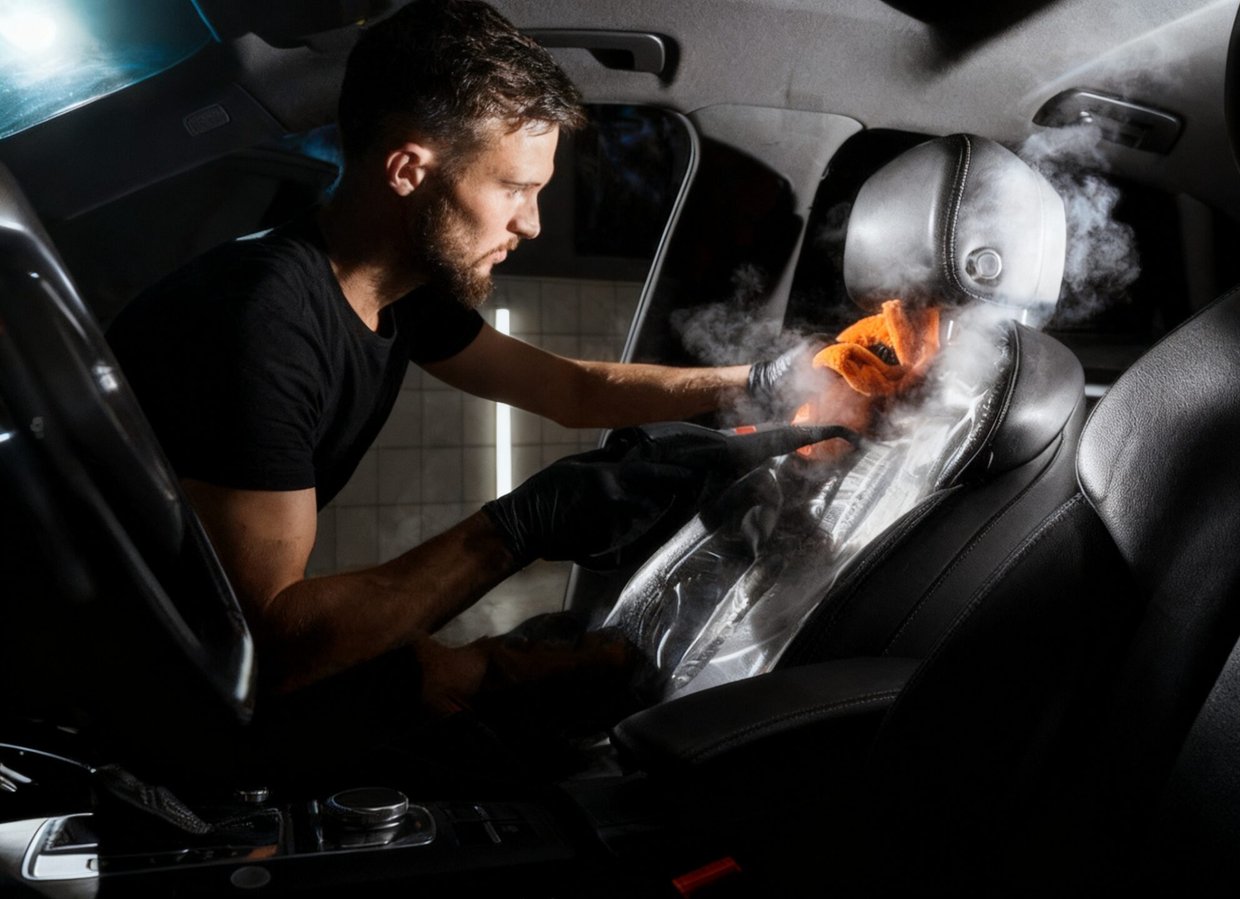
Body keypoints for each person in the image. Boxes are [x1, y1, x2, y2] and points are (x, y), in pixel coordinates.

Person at [107, 0, 803, 715]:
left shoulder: (401, 286)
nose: (530, 223)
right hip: (138, 706)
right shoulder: (261, 324)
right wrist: (523, 524)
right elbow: (272, 644)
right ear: (409, 169)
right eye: (513, 188)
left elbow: (572, 392)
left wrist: (759, 380)